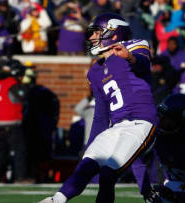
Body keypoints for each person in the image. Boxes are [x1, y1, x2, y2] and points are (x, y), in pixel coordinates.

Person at [39, 12, 158, 203]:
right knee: (86, 165)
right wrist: (91, 147)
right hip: (117, 126)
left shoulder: (135, 46)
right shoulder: (95, 71)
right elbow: (101, 115)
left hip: (141, 121)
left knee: (108, 174)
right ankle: (56, 200)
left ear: (113, 32)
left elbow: (143, 66)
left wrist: (129, 58)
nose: (92, 37)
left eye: (96, 32)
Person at [0, 59, 28, 183]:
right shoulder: (11, 83)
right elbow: (23, 96)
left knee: (0, 152)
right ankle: (20, 177)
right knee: (19, 151)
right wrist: (24, 86)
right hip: (11, 123)